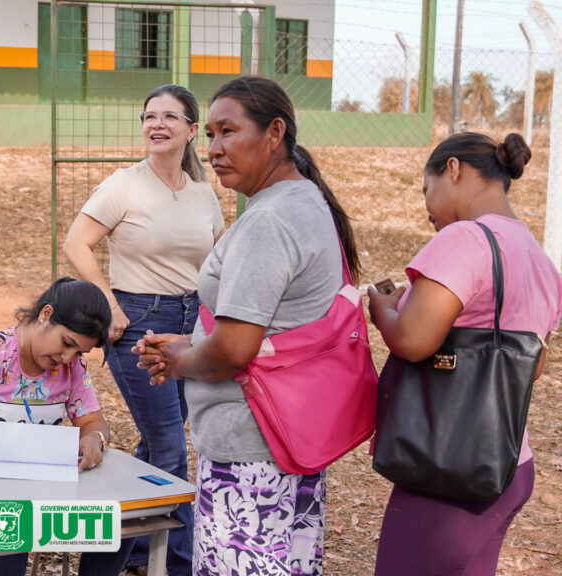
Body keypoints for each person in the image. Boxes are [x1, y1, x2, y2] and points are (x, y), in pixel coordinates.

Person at [135, 76, 361, 576]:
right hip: (290, 438)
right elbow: (279, 327)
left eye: (228, 132)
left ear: (275, 132)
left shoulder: (269, 222)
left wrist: (180, 361)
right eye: (211, 135)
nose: (214, 149)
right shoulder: (306, 203)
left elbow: (236, 349)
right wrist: (193, 343)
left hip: (250, 448)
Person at [367, 132, 562, 575]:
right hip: (510, 463)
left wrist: (382, 310)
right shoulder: (539, 258)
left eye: (427, 190)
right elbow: (532, 368)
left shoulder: (465, 240)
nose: (427, 208)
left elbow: (414, 340)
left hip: (450, 469)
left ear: (452, 170)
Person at [63, 83, 224, 576]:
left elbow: (220, 260)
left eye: (170, 117)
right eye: (149, 116)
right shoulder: (123, 185)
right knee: (172, 447)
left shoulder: (202, 194)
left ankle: (126, 553)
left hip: (190, 323)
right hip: (140, 323)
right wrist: (110, 305)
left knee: (156, 448)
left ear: (192, 131)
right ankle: (182, 564)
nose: (157, 124)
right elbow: (76, 243)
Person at [0, 277, 130, 576]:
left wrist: (94, 439)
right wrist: (22, 447)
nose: (67, 358)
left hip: (33, 490)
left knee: (120, 523)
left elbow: (94, 421)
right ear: (45, 314)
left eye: (79, 353)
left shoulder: (70, 367)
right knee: (8, 536)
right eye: (67, 343)